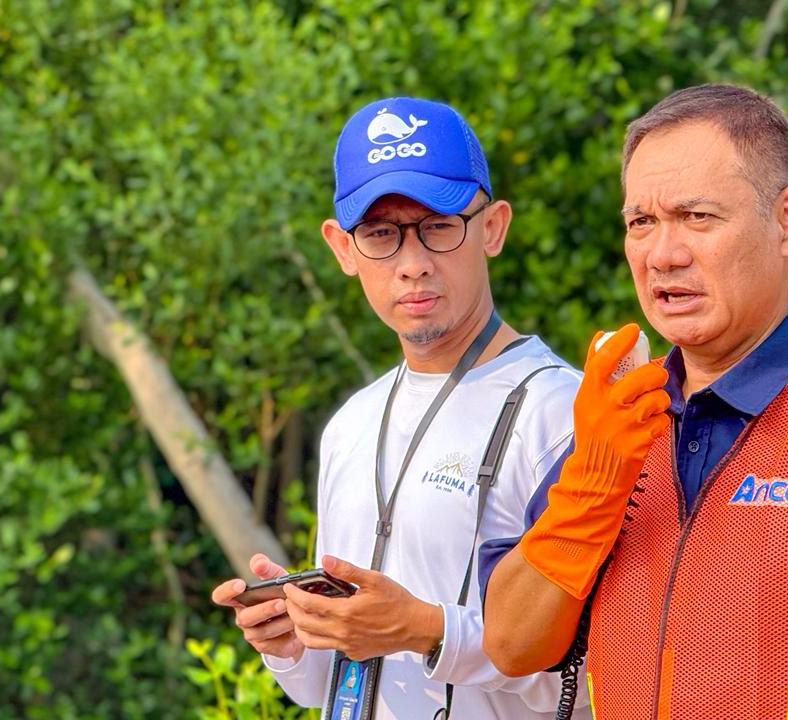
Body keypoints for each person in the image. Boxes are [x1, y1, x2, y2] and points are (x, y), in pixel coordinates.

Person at [480, 84, 788, 719]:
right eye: (641, 222)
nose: (663, 255)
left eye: (697, 216)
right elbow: (512, 644)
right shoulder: (625, 416)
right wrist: (588, 491)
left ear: (787, 221)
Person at [210, 96, 589, 719]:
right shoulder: (350, 425)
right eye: (381, 234)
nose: (412, 265)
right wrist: (292, 642)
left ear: (493, 228)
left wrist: (425, 630)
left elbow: (598, 672)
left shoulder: (563, 413)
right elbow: (329, 685)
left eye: (438, 226)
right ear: (343, 249)